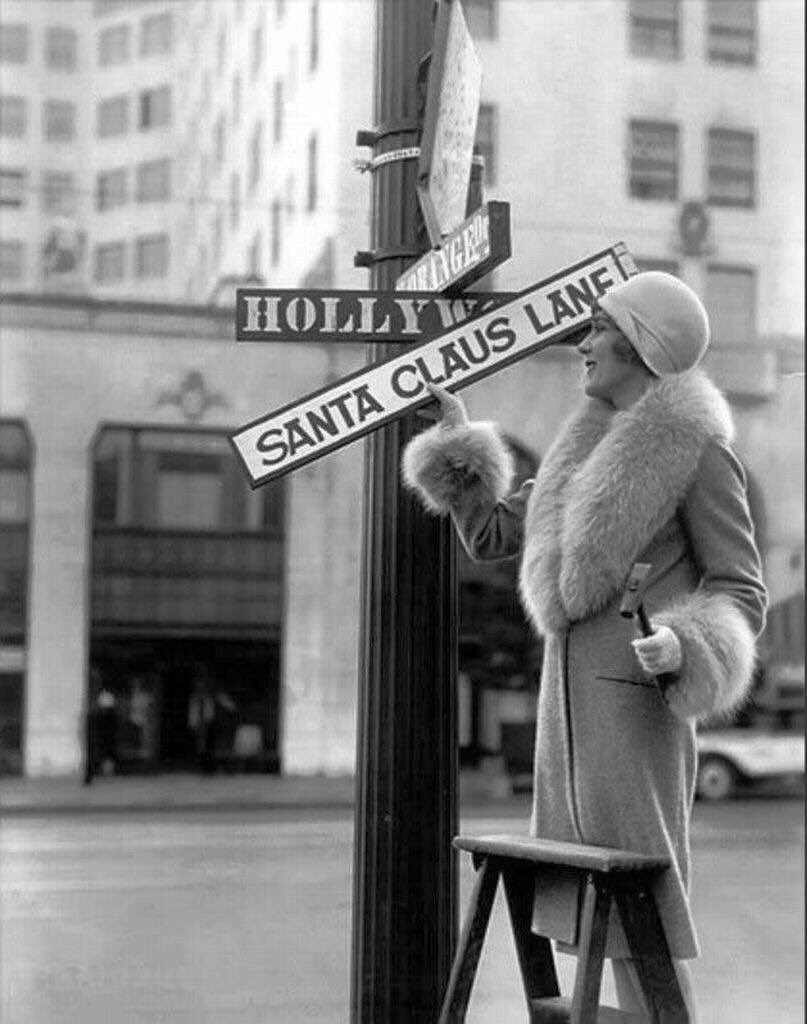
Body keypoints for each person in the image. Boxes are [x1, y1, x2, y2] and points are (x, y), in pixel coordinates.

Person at [401, 271, 767, 1020]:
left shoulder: (695, 453)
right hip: (565, 724)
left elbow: (741, 588)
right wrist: (457, 437)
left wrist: (686, 643)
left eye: (596, 328)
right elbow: (492, 534)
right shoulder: (578, 451)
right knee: (590, 927)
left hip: (637, 717)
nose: (581, 344)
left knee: (640, 924)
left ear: (638, 345)